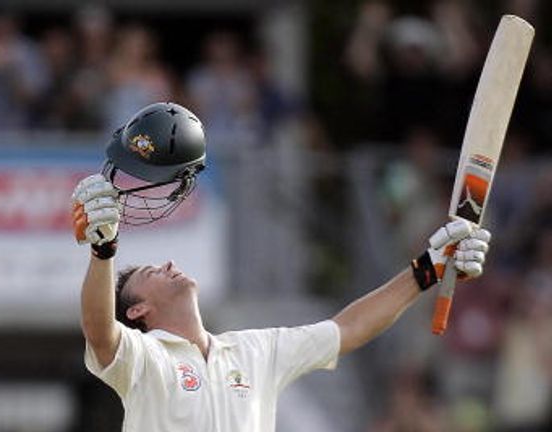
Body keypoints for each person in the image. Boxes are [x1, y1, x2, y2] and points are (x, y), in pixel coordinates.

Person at [71, 103, 492, 431]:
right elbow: (99, 330)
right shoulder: (144, 360)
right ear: (138, 311)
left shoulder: (257, 350)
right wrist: (104, 250)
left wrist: (429, 268)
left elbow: (348, 329)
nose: (166, 264)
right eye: (150, 274)